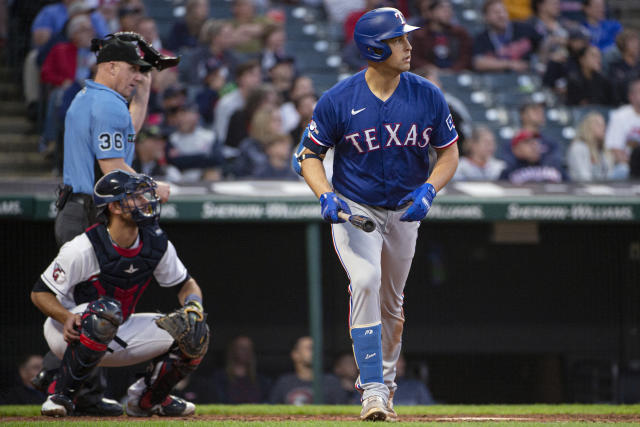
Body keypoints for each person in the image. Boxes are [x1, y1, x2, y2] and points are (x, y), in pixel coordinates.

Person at [295, 7, 458, 421]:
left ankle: (385, 387)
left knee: (392, 303)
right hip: (358, 209)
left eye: (406, 38)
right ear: (373, 47)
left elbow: (448, 152)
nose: (408, 45)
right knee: (366, 280)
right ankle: (372, 391)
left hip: (406, 209)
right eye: (399, 39)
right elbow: (310, 155)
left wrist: (430, 188)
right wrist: (325, 194)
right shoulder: (339, 99)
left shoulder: (427, 93)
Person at [31, 170, 210, 417]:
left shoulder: (155, 241)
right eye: (136, 196)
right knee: (105, 312)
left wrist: (194, 307)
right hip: (69, 330)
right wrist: (64, 317)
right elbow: (40, 293)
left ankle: (147, 400)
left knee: (194, 328)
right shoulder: (84, 247)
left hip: (118, 326)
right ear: (114, 206)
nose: (146, 200)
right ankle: (60, 395)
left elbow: (187, 285)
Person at [54, 32, 171, 247]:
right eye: (133, 69)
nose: (138, 76)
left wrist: (143, 93)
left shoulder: (88, 96)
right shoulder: (108, 105)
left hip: (77, 211)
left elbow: (126, 137)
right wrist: (151, 187)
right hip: (89, 215)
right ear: (112, 66)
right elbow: (112, 167)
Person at [269, 336, 346, 405]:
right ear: (295, 355)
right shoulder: (284, 382)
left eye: (316, 348)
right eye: (309, 348)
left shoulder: (331, 382)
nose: (315, 352)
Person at [472, 0, 541, 73]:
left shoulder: (524, 28)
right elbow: (478, 63)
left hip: (528, 76)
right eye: (496, 13)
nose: (501, 15)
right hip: (499, 79)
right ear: (486, 17)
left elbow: (543, 46)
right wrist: (510, 64)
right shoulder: (481, 38)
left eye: (503, 11)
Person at [409, 0, 473, 71]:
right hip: (429, 75)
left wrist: (453, 70)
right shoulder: (420, 35)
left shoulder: (460, 33)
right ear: (430, 13)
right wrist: (429, 68)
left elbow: (465, 57)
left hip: (455, 74)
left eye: (449, 9)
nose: (448, 13)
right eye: (442, 9)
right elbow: (414, 58)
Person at [604, 78, 640, 180]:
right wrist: (633, 165)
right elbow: (614, 149)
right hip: (626, 166)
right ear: (631, 96)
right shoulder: (620, 116)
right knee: (623, 170)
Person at [499, 129, 565, 183]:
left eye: (536, 142)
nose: (534, 146)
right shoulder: (508, 171)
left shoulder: (554, 166)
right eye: (528, 142)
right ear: (516, 149)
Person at [567, 112, 613, 181]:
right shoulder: (578, 147)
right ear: (588, 127)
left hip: (604, 188)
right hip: (581, 188)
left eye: (604, 125)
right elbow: (583, 177)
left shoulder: (603, 149)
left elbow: (609, 175)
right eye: (599, 125)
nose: (604, 128)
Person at [608, 29, 640, 106]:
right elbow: (615, 93)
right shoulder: (615, 67)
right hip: (623, 106)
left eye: (637, 42)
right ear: (623, 45)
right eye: (632, 42)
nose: (636, 45)